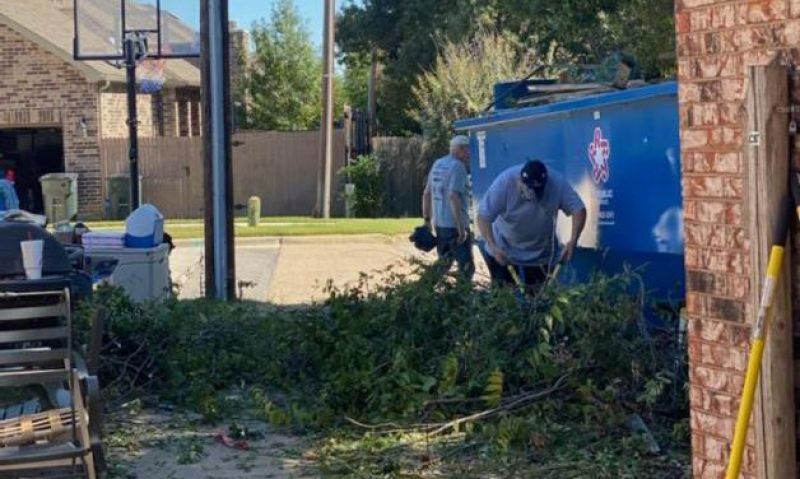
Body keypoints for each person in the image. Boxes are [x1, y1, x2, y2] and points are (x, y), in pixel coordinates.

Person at [477, 160, 587, 291]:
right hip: (503, 252)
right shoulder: (505, 182)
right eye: (530, 190)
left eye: (538, 191)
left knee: (537, 299)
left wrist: (573, 241)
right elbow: (483, 217)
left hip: (538, 255)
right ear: (520, 182)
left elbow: (579, 210)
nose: (534, 195)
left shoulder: (557, 183)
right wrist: (493, 246)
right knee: (504, 298)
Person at [421, 135, 475, 280]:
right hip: (454, 225)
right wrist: (461, 227)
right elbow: (453, 195)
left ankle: (423, 289)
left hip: (440, 224)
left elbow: (426, 193)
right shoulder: (458, 166)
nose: (470, 154)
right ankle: (463, 299)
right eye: (469, 150)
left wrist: (427, 221)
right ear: (461, 150)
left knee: (444, 263)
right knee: (467, 267)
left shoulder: (438, 164)